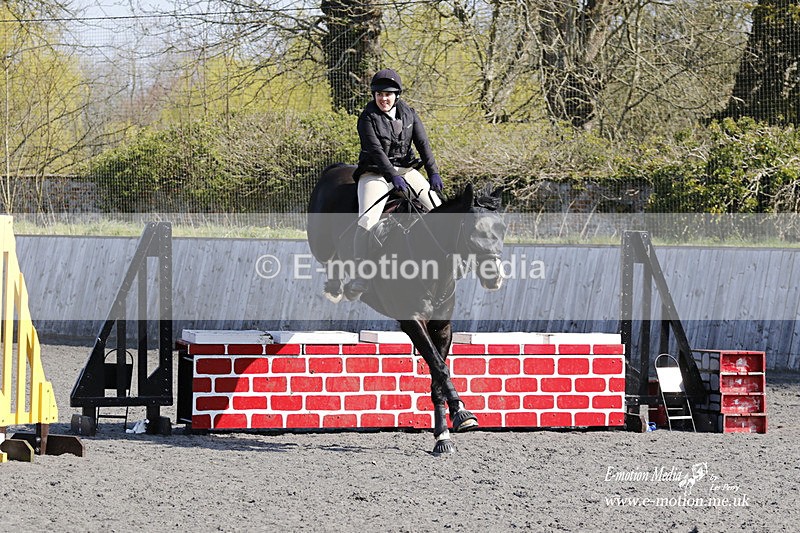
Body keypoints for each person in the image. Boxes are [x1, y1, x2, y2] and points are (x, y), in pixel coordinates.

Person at [347, 68, 443, 299]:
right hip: (376, 172)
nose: (383, 99)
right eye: (379, 94)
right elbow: (376, 151)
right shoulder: (367, 118)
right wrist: (392, 177)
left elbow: (423, 145)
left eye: (388, 94)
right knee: (367, 220)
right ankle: (360, 274)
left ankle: (448, 262)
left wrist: (433, 173)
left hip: (406, 169)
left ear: (397, 95)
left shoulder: (409, 113)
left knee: (438, 210)